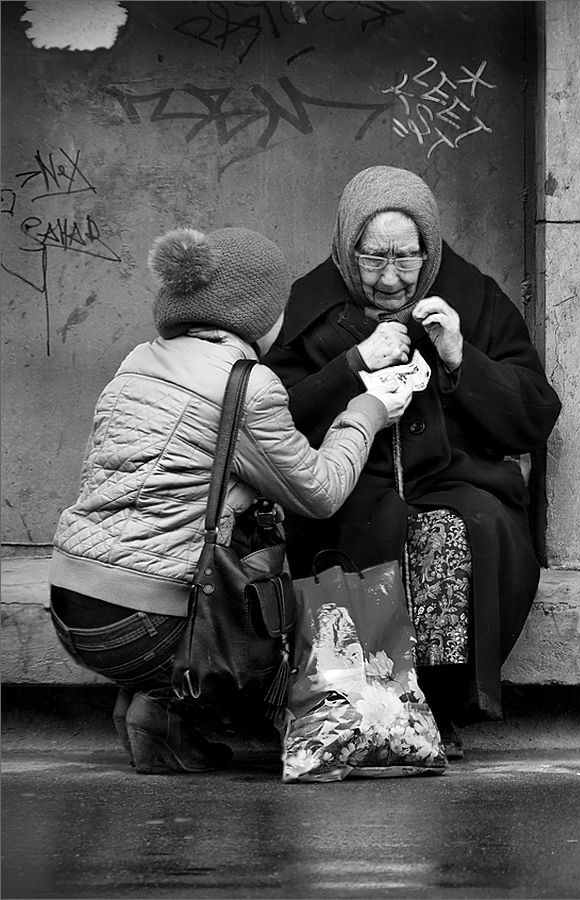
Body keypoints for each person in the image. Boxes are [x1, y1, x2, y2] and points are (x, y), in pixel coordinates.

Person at [49, 225, 412, 775]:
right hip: (142, 625)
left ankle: (155, 714)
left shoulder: (137, 362)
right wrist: (368, 411)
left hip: (73, 602)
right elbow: (320, 492)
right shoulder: (245, 384)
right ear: (258, 313)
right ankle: (164, 692)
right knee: (292, 604)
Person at [263, 166, 562, 757]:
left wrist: (458, 355)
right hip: (345, 484)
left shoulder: (474, 299)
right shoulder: (305, 307)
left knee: (463, 530)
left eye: (407, 257)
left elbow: (534, 415)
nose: (391, 278)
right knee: (366, 530)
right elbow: (273, 416)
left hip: (458, 481)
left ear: (430, 248)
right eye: (373, 259)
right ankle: (363, 713)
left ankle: (438, 707)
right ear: (346, 247)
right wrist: (352, 364)